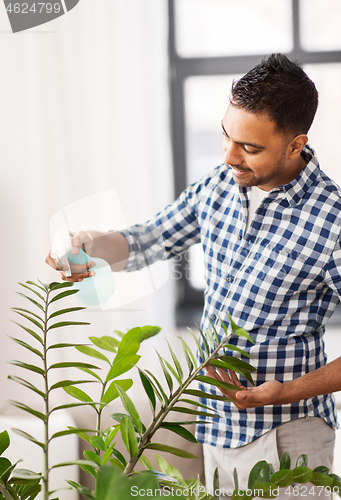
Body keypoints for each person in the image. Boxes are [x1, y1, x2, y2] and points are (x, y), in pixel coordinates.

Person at [46, 54, 341, 498]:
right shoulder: (218, 187)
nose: (230, 156)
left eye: (250, 148)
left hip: (288, 432)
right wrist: (91, 245)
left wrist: (285, 392)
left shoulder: (332, 221)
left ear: (296, 144)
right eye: (227, 135)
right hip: (216, 425)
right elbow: (148, 240)